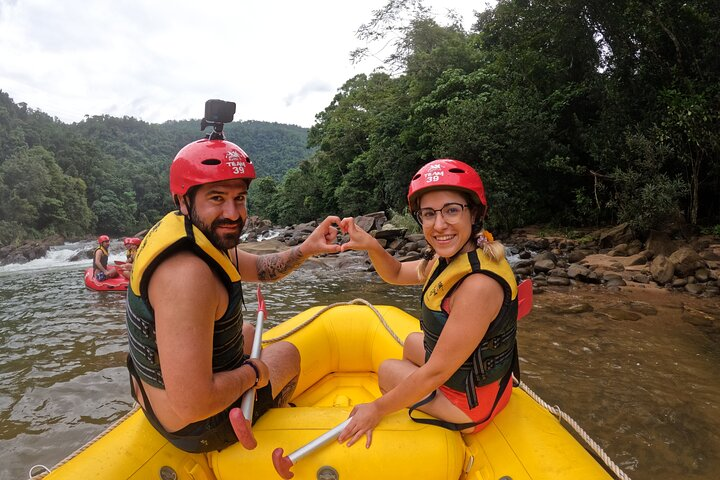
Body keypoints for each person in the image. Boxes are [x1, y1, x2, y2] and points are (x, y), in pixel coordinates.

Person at [125, 136, 343, 453]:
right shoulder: (187, 276)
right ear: (184, 201)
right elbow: (192, 406)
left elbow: (265, 267)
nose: (233, 213)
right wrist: (253, 372)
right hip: (193, 425)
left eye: (239, 198)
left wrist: (307, 248)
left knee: (248, 331)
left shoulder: (197, 235)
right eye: (216, 198)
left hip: (156, 392)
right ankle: (271, 420)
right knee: (287, 355)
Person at [337, 159, 519, 448]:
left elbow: (435, 372)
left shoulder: (477, 287)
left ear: (473, 214)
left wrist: (377, 409)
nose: (439, 225)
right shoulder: (450, 258)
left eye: (451, 211)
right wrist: (372, 244)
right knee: (411, 341)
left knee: (387, 369)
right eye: (429, 214)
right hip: (480, 379)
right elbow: (396, 273)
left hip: (471, 405)